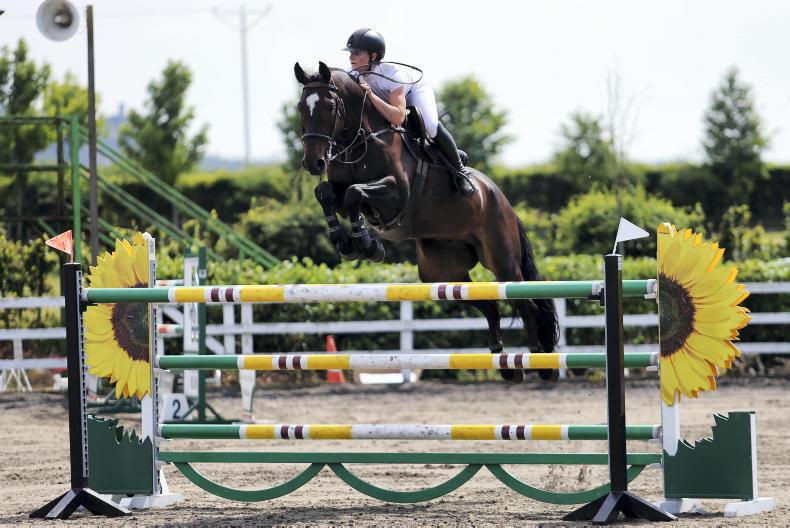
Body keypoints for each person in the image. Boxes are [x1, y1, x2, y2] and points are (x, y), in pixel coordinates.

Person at [343, 28, 476, 196]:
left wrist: (370, 95)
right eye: (350, 52)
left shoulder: (392, 74)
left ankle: (460, 171)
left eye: (357, 52)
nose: (351, 57)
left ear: (374, 56)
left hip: (414, 92)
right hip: (389, 102)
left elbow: (398, 117)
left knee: (430, 126)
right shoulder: (351, 73)